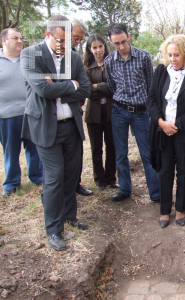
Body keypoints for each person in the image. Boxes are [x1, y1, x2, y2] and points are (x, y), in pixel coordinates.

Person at [20, 15, 91, 251]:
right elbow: (41, 89)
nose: (65, 45)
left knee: (71, 174)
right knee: (54, 177)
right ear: (48, 34)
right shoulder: (31, 54)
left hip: (71, 125)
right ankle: (54, 229)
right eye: (61, 40)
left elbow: (86, 89)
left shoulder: (72, 56)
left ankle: (69, 216)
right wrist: (71, 85)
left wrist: (58, 87)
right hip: (45, 127)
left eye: (69, 40)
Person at [147, 35, 185, 228]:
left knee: (183, 170)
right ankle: (165, 210)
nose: (172, 59)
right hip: (163, 131)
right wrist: (161, 123)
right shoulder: (160, 71)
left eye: (177, 55)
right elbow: (151, 100)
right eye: (170, 55)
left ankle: (181, 209)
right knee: (165, 170)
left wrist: (178, 125)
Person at [104, 23, 160, 202]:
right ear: (111, 42)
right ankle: (125, 189)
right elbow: (113, 87)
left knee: (147, 152)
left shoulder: (143, 56)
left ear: (128, 36)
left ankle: (156, 193)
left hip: (141, 113)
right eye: (116, 44)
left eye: (123, 42)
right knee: (120, 153)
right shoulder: (109, 62)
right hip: (119, 111)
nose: (121, 46)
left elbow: (151, 86)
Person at [0, 28, 43, 197]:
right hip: (6, 115)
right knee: (10, 149)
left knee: (34, 148)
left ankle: (37, 176)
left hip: (30, 112)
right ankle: (11, 182)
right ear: (4, 41)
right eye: (15, 38)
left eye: (20, 38)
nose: (20, 41)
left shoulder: (28, 59)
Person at [83, 34, 119, 191]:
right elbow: (88, 91)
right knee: (96, 148)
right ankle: (99, 179)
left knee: (112, 146)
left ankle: (111, 178)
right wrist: (103, 87)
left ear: (105, 46)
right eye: (94, 47)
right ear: (90, 49)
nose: (98, 50)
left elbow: (115, 87)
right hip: (94, 114)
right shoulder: (86, 67)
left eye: (100, 46)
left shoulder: (113, 63)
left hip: (112, 112)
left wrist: (97, 86)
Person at [70, 18, 93, 196]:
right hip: (56, 114)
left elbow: (85, 89)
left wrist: (75, 87)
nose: (78, 42)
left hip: (75, 112)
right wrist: (71, 86)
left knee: (76, 154)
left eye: (80, 39)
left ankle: (76, 183)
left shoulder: (76, 56)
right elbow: (48, 89)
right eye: (76, 37)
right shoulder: (50, 56)